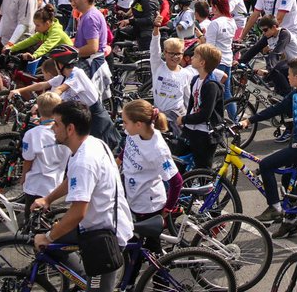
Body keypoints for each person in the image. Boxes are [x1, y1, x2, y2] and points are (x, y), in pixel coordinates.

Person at [30, 101, 133, 292]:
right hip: (98, 224)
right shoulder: (92, 143)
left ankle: (91, 284)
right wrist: (48, 199)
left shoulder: (84, 161)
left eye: (56, 124)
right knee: (56, 247)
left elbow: (78, 212)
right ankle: (84, 280)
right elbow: (72, 180)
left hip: (105, 238)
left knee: (97, 289)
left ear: (70, 129)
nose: (53, 128)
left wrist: (48, 236)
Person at [240, 57, 297, 223]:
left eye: (289, 75)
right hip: (296, 144)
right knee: (287, 182)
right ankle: (290, 221)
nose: (288, 77)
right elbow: (277, 108)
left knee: (266, 165)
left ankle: (275, 208)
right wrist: (250, 120)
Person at [10, 46, 120, 150]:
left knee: (96, 152)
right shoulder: (64, 76)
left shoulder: (77, 74)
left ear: (61, 64)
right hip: (81, 117)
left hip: (96, 120)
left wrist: (41, 103)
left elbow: (60, 89)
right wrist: (19, 90)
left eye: (55, 62)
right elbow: (43, 85)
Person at [120, 98, 181, 234]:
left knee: (149, 248)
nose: (123, 126)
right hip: (133, 196)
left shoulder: (157, 149)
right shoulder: (134, 132)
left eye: (125, 122)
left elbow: (176, 181)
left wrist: (168, 209)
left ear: (139, 124)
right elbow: (129, 147)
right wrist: (117, 161)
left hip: (148, 205)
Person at [20, 91, 70, 214]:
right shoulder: (65, 132)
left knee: (31, 223)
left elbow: (28, 160)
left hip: (35, 185)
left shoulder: (32, 134)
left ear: (39, 110)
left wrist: (23, 177)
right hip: (55, 185)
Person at [177, 43, 226, 169]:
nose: (191, 57)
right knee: (179, 160)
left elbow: (205, 114)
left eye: (195, 56)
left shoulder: (211, 86)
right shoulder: (195, 80)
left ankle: (205, 186)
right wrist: (186, 122)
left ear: (202, 63)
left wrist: (183, 119)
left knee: (202, 167)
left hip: (205, 133)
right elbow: (192, 105)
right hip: (191, 129)